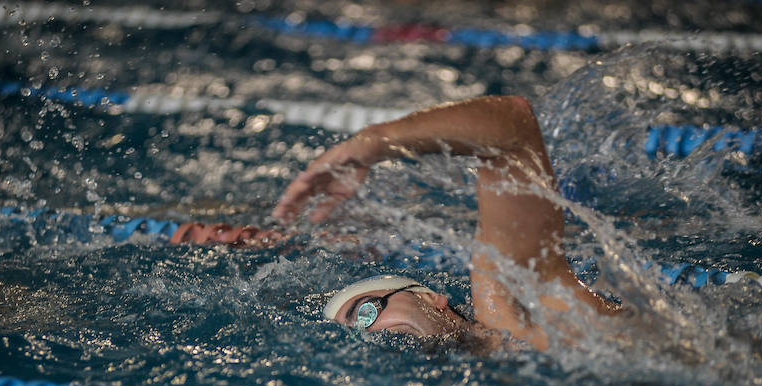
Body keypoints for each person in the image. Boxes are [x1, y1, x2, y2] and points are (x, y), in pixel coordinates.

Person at [174, 96, 620, 351]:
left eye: (365, 312)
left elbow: (515, 130)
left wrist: (374, 142)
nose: (370, 334)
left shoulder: (513, 308)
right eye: (357, 334)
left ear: (434, 300)